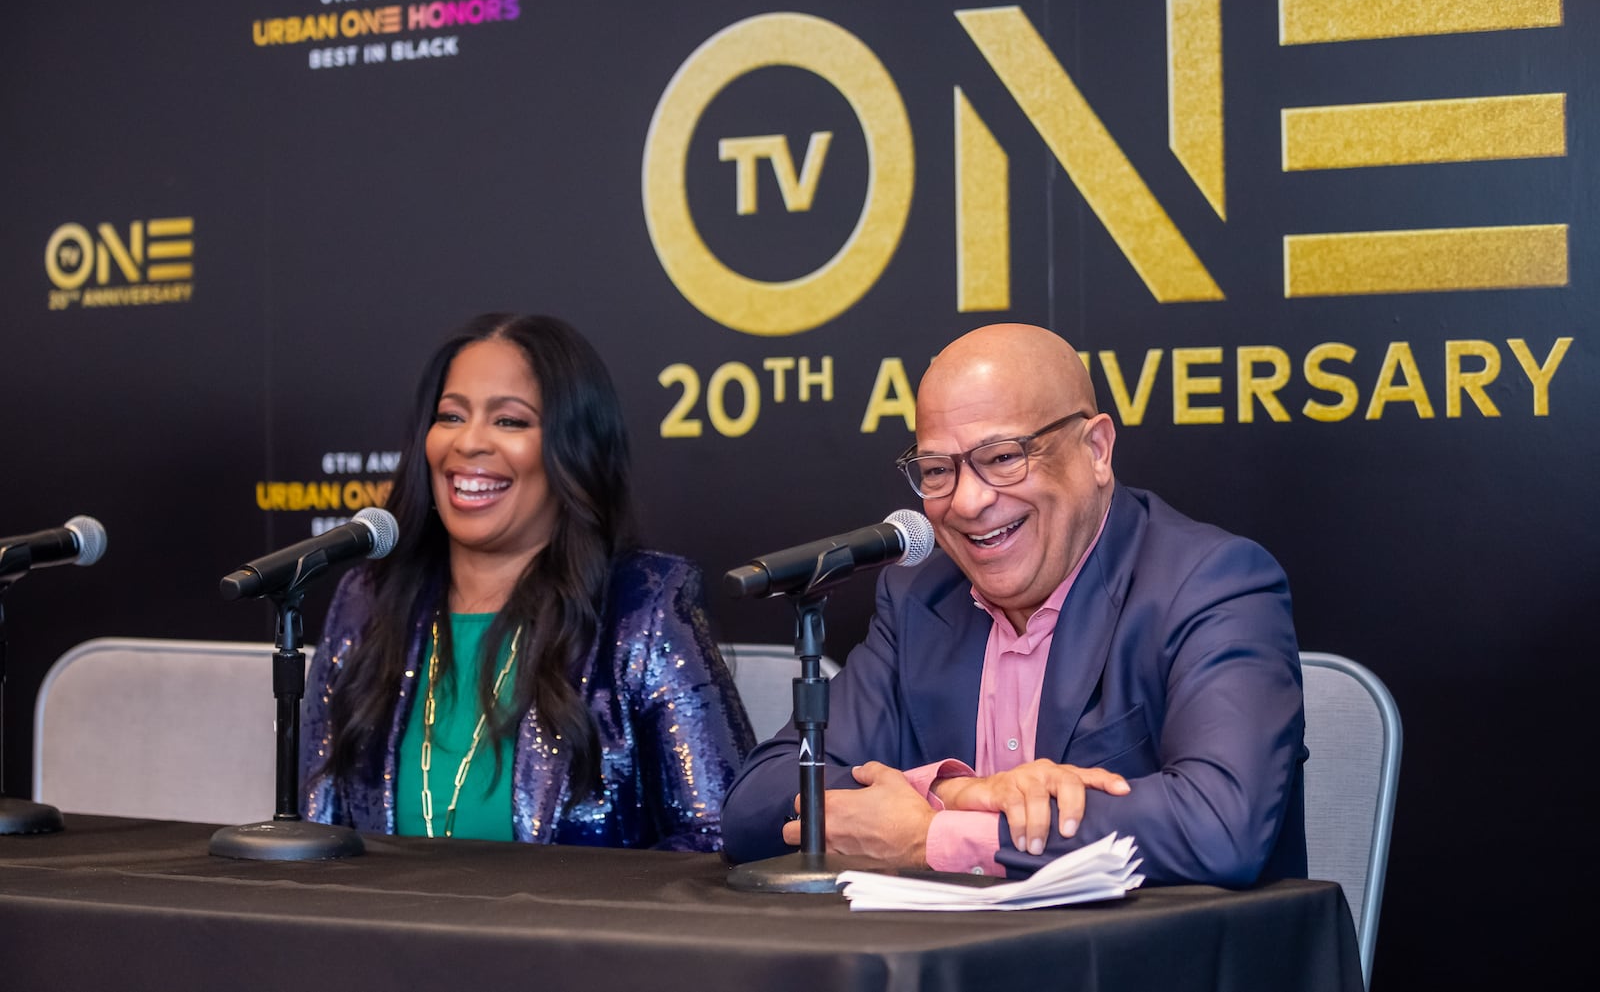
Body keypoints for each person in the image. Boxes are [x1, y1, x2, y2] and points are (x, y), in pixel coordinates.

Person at [721, 323, 1305, 886]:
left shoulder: (1210, 582)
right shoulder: (920, 596)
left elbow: (1221, 822)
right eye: (936, 471)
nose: (969, 501)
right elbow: (754, 807)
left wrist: (937, 838)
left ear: (1096, 449)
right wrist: (953, 792)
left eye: (1003, 457)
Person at [303, 312, 754, 849]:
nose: (469, 442)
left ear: (573, 448)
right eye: (450, 416)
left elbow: (718, 837)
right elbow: (317, 837)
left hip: (571, 933)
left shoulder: (644, 607)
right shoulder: (366, 603)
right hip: (382, 932)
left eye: (510, 422)